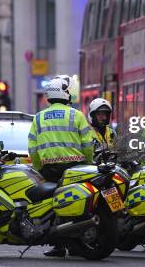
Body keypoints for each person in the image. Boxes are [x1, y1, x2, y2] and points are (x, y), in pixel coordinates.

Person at [28, 75, 94, 258]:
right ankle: (76, 244)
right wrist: (88, 163)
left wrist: (39, 167)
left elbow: (32, 148)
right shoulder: (77, 115)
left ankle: (58, 246)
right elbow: (88, 145)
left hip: (50, 169)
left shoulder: (39, 118)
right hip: (75, 168)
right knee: (76, 201)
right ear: (65, 95)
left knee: (53, 206)